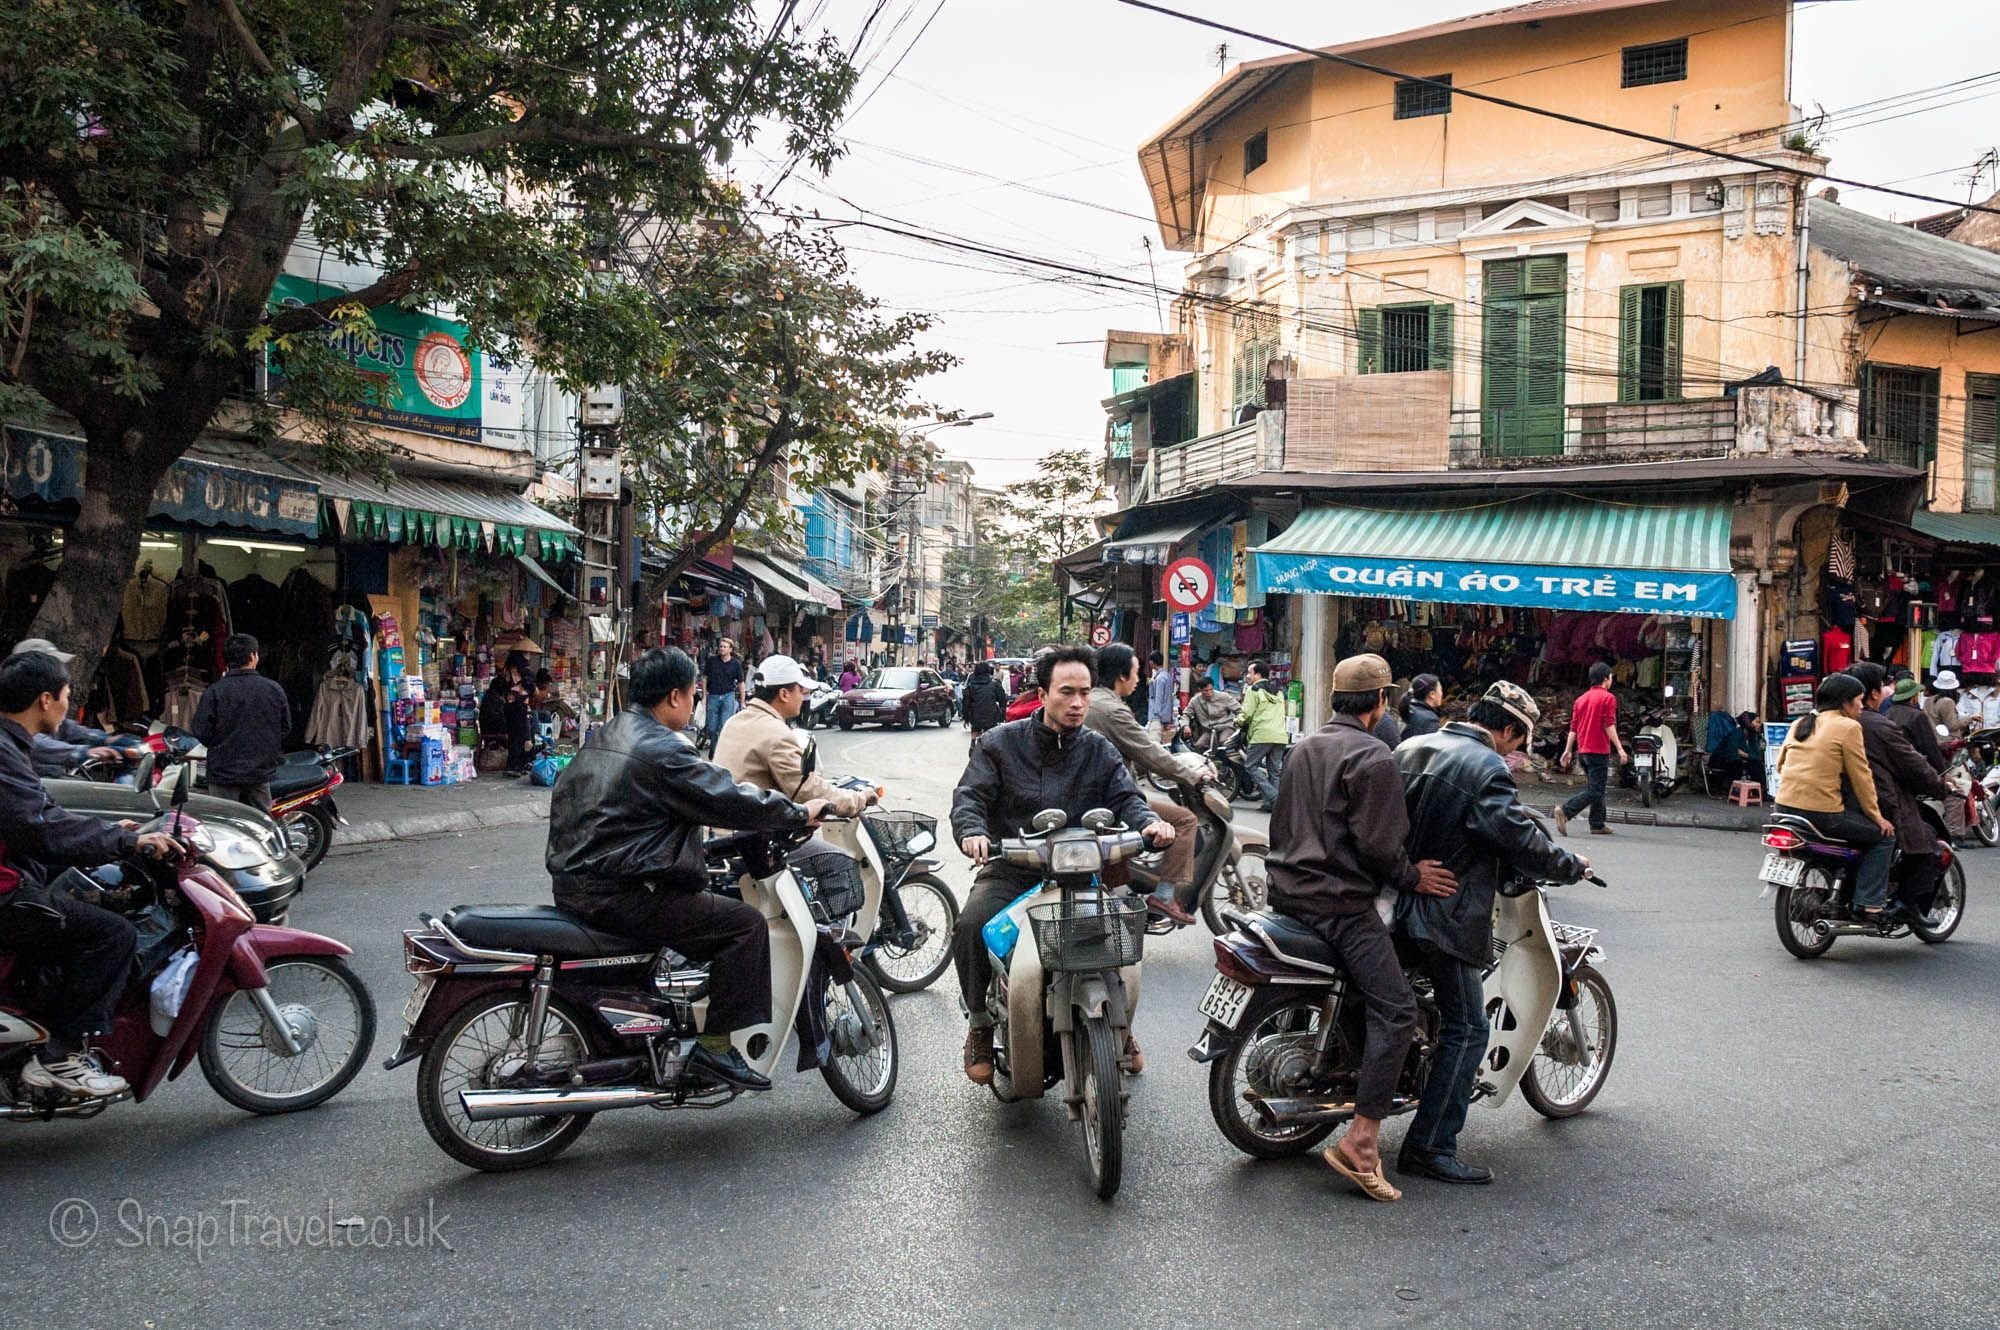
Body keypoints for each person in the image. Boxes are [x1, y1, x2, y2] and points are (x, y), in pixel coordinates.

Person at [546, 647, 828, 1092]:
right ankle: (715, 1049)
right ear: (675, 696)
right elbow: (727, 796)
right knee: (744, 926)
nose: (697, 702)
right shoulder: (661, 749)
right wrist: (796, 813)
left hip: (578, 884)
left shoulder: (608, 734)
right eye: (695, 693)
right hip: (626, 892)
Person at [1266, 654, 1456, 1203]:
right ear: (1380, 702)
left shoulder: (1302, 747)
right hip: (1338, 906)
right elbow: (1379, 846)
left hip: (1286, 892)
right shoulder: (1373, 757)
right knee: (1396, 1010)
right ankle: (1363, 1142)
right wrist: (1412, 875)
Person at [949, 645, 1172, 1085]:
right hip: (1014, 869)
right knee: (971, 924)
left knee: (1118, 942)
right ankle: (979, 1022)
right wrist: (972, 831)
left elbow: (1127, 797)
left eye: (1085, 693)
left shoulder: (1098, 749)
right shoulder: (999, 743)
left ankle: (1119, 1028)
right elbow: (970, 797)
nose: (1077, 703)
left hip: (1080, 873)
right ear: (1043, 691)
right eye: (1066, 692)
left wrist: (1149, 824)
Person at [1393, 680, 1588, 1185]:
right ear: (1506, 730)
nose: (1518, 750)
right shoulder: (1486, 769)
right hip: (1445, 911)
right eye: (1519, 740)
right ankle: (1430, 1144)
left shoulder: (1412, 746)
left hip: (1391, 898)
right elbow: (1517, 838)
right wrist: (1570, 864)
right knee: (1468, 1027)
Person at [0, 650, 177, 1098]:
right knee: (111, 934)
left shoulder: (11, 744)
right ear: (45, 700)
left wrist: (108, 832)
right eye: (65, 695)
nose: (67, 703)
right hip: (3, 891)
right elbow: (37, 826)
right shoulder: (5, 750)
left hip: (12, 874)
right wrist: (125, 842)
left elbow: (39, 813)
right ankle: (60, 1057)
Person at [1085, 644, 1207, 926]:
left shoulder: (1097, 702)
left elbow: (1136, 751)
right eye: (1136, 672)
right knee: (1185, 821)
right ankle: (1164, 896)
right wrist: (1192, 775)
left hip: (1099, 792)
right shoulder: (1112, 710)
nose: (1140, 678)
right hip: (1111, 798)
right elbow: (1151, 753)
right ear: (1121, 676)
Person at [1772, 672, 1897, 918]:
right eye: (1859, 700)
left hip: (1783, 810)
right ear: (1844, 702)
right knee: (1884, 838)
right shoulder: (1848, 726)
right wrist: (1878, 818)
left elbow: (1780, 765)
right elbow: (1862, 778)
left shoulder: (1801, 723)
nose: (1862, 706)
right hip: (1822, 815)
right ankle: (1869, 902)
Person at [1849, 663, 1952, 920]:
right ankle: (1907, 903)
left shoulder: (1825, 721)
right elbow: (1914, 762)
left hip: (1831, 800)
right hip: (1881, 799)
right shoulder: (1877, 724)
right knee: (1924, 840)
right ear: (1873, 693)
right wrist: (1940, 786)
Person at [189, 633, 291, 811]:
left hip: (223, 773)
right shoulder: (273, 689)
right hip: (259, 772)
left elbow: (201, 731)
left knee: (225, 827)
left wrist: (223, 745)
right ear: (253, 656)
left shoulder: (215, 691)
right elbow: (285, 728)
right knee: (261, 827)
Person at [7, 639, 137, 777]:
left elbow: (68, 728)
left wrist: (106, 739)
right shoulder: (17, 710)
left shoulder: (48, 707)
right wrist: (82, 752)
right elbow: (34, 742)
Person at [1555, 662, 1626, 838]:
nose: (1611, 680)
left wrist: (1568, 749)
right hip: (1598, 750)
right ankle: (1566, 811)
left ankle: (1597, 823)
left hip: (1583, 751)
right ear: (1605, 679)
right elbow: (1609, 724)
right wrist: (1620, 748)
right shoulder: (1608, 698)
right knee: (1596, 790)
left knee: (1596, 787)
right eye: (1611, 677)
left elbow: (1573, 727)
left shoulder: (1581, 699)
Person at [1239, 660, 1289, 812]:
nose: (1248, 676)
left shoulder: (1254, 690)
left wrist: (1237, 721)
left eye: (1250, 672)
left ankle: (1274, 796)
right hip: (1280, 736)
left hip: (1262, 734)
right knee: (1274, 771)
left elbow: (1247, 714)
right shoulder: (1278, 691)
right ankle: (1271, 805)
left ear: (1258, 674)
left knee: (1250, 766)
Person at [1889, 675, 1946, 774]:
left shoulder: (1889, 712)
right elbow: (1929, 746)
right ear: (1913, 696)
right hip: (1915, 766)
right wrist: (1942, 772)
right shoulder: (1917, 716)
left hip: (1893, 765)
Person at [701, 639, 747, 750]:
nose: (721, 648)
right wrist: (704, 696)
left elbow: (741, 683)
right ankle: (714, 746)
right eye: (721, 646)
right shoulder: (712, 661)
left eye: (724, 647)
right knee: (712, 727)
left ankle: (717, 751)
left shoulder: (735, 664)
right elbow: (704, 678)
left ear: (730, 649)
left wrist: (743, 701)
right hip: (713, 696)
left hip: (728, 696)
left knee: (723, 726)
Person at [959, 660, 1009, 751]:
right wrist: (1002, 714)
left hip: (975, 716)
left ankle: (973, 742)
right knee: (991, 733)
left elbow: (965, 703)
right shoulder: (995, 684)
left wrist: (966, 717)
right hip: (991, 715)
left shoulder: (970, 686)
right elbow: (1002, 700)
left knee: (975, 728)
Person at [1182, 673, 1241, 747]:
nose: (1209, 693)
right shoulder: (1195, 701)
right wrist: (1185, 726)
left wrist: (1239, 723)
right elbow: (1186, 715)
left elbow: (1239, 710)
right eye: (1206, 691)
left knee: (1224, 742)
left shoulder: (1223, 696)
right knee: (1199, 745)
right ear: (1200, 690)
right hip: (1209, 730)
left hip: (1226, 726)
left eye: (1211, 689)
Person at [1924, 670, 1973, 740]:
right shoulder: (1948, 702)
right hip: (1947, 741)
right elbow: (1952, 726)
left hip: (1931, 740)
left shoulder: (1928, 700)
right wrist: (1969, 719)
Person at [1399, 674, 1443, 742]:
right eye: (1440, 690)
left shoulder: (1410, 709)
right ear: (1432, 694)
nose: (1441, 693)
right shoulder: (1429, 720)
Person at [1146, 651, 1178, 744]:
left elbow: (1158, 699)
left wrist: (1156, 715)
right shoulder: (1166, 676)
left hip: (1157, 716)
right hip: (1166, 715)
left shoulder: (1160, 678)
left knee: (1154, 742)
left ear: (1152, 662)